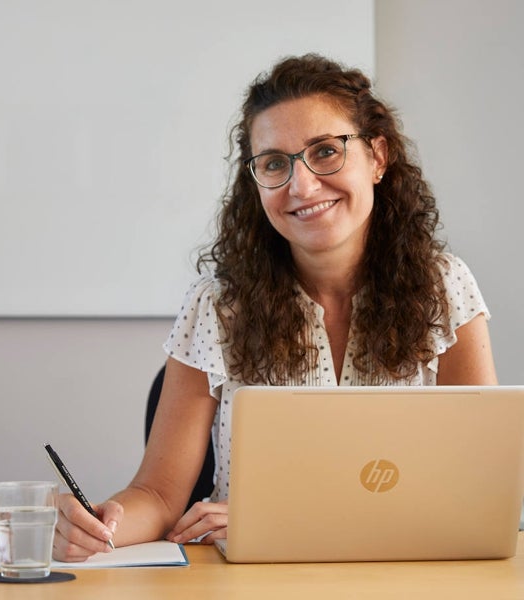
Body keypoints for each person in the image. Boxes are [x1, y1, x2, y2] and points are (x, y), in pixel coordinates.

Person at [52, 53, 497, 561]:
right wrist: (100, 524)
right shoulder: (217, 307)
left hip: (401, 578)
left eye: (326, 151)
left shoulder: (445, 286)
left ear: (377, 156)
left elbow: (476, 486)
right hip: (248, 582)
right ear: (255, 180)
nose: (301, 185)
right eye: (274, 163)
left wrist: (285, 520)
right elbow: (156, 496)